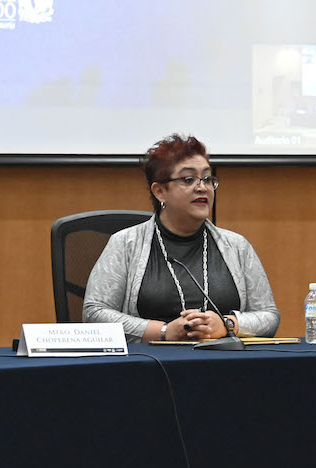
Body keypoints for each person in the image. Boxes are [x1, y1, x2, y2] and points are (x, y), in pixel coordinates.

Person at [83, 133, 280, 342]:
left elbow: (269, 316)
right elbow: (94, 313)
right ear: (160, 191)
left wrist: (227, 324)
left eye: (207, 179)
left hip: (222, 358)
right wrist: (163, 331)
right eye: (188, 179)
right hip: (151, 359)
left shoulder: (236, 246)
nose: (202, 187)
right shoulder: (125, 244)